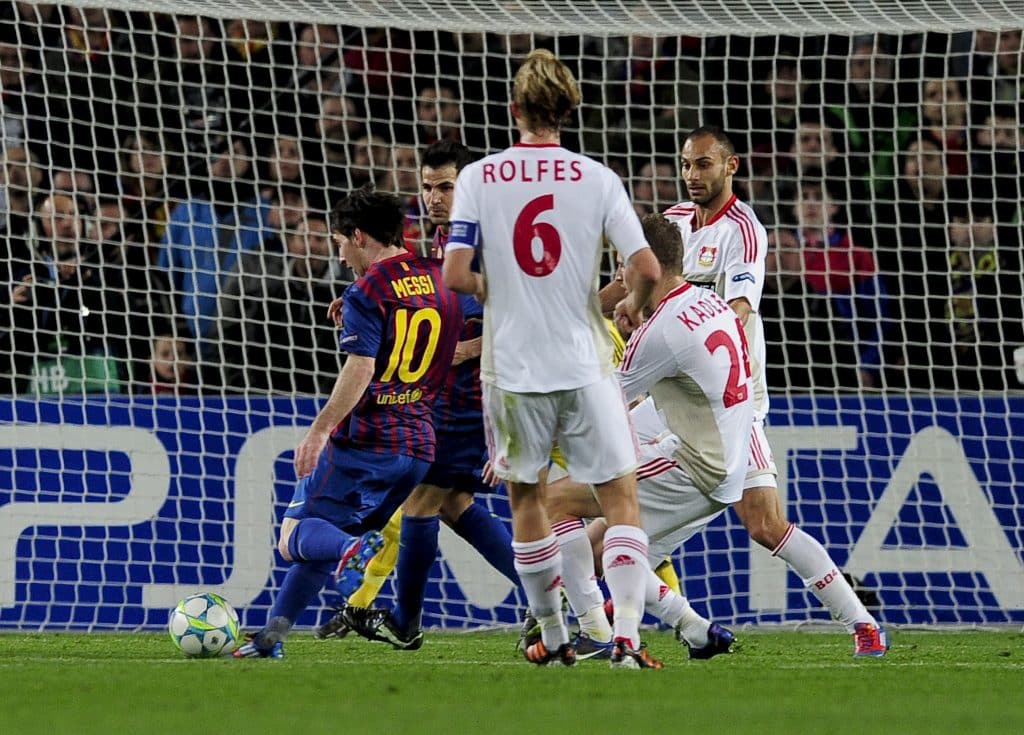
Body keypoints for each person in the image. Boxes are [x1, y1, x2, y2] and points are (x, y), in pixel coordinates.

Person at [442, 49, 663, 669]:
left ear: (514, 110)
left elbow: (455, 273)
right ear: (570, 110)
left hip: (511, 367)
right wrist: (632, 307)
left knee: (527, 501)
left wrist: (494, 290)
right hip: (584, 362)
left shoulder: (478, 177)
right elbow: (645, 268)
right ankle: (625, 637)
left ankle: (556, 634)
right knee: (620, 497)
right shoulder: (597, 178)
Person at [661, 126, 887, 656]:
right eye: (687, 165)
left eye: (704, 164)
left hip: (730, 404)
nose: (693, 175)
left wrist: (699, 347)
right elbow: (633, 284)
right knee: (619, 525)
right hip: (669, 403)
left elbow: (739, 311)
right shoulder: (670, 223)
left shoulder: (745, 230)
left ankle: (863, 624)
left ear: (731, 166)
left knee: (764, 524)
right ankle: (642, 626)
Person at [233, 185, 462, 658]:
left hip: (367, 439)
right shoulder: (441, 276)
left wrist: (319, 429)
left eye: (339, 242)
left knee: (295, 536)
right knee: (325, 536)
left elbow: (361, 367)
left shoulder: (367, 289)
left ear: (358, 236)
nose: (339, 255)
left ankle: (349, 553)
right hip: (419, 447)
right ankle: (272, 636)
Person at [318, 139, 521, 647]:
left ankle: (407, 623)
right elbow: (413, 289)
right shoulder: (437, 241)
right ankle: (552, 598)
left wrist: (462, 349)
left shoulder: (492, 244)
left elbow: (518, 324)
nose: (435, 196)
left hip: (477, 398)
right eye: (428, 187)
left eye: (446, 186)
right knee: (452, 504)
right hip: (441, 396)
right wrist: (362, 295)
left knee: (420, 504)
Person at [544, 213, 752, 659]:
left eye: (622, 263)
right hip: (722, 457)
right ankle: (696, 629)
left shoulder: (660, 332)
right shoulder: (707, 301)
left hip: (696, 466)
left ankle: (596, 630)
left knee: (553, 501)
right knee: (602, 549)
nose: (619, 275)